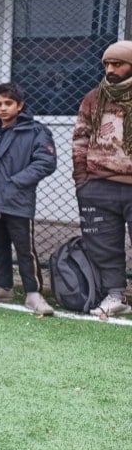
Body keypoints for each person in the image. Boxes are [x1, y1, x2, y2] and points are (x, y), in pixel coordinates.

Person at [0, 83, 57, 315]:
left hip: (17, 201)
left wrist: (16, 181)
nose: (3, 108)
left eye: (8, 103)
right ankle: (4, 286)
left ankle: (33, 293)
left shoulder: (36, 131)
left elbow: (46, 162)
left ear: (20, 105)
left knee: (24, 249)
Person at [72, 40, 132, 317]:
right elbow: (81, 138)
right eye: (107, 64)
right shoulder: (94, 98)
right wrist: (82, 180)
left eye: (117, 64)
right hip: (98, 186)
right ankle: (115, 295)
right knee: (105, 246)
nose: (110, 69)